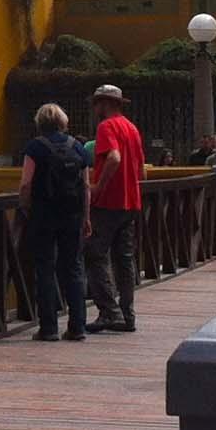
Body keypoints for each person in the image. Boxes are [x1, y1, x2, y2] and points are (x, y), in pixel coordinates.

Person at [17, 104, 91, 341]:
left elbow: (26, 184)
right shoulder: (77, 147)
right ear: (63, 122)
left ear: (39, 123)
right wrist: (86, 216)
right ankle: (78, 326)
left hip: (44, 214)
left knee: (45, 268)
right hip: (72, 215)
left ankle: (48, 328)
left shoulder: (35, 147)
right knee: (74, 268)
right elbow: (86, 186)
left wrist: (26, 207)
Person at [83, 84, 146, 334]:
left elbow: (114, 158)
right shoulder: (132, 128)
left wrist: (98, 185)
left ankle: (110, 312)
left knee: (94, 254)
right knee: (124, 259)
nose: (95, 108)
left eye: (96, 103)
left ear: (104, 103)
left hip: (109, 202)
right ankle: (128, 315)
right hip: (131, 201)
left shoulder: (106, 127)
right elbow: (141, 170)